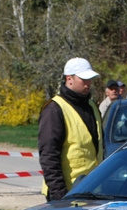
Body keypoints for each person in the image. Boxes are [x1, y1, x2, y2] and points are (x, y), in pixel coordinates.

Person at [37, 57, 104, 201]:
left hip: (92, 190)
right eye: (84, 79)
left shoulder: (92, 106)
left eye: (90, 79)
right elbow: (49, 157)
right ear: (69, 79)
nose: (88, 84)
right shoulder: (54, 109)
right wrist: (60, 196)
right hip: (66, 193)